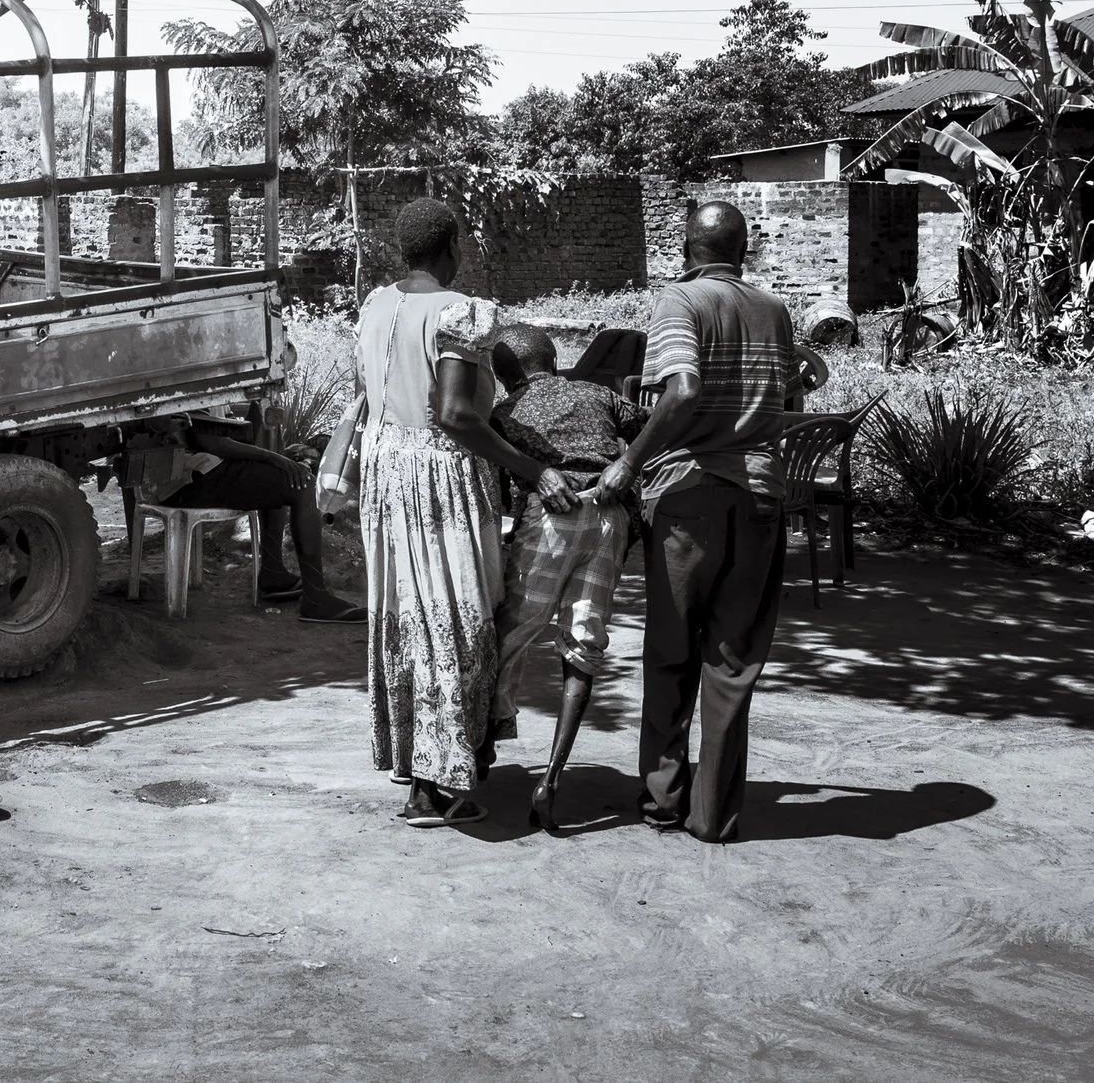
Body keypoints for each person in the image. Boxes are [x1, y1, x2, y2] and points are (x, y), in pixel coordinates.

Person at [340, 198, 579, 827]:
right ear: (453, 247)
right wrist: (535, 469)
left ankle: (420, 775)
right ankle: (442, 783)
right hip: (442, 476)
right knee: (462, 616)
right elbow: (455, 414)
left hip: (387, 473)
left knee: (408, 617)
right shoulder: (461, 312)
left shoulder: (375, 306)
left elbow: (370, 393)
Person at [597, 200, 800, 843]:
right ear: (745, 250)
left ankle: (663, 800)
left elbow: (681, 390)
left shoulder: (679, 301)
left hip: (689, 498)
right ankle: (714, 815)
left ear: (687, 249)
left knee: (671, 653)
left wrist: (630, 461)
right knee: (732, 659)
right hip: (761, 498)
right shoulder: (773, 309)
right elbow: (790, 396)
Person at [484, 321, 643, 835]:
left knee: (508, 636)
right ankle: (551, 779)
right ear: (552, 358)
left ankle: (479, 747)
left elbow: (492, 476)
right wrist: (626, 465)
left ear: (502, 376)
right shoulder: (596, 393)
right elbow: (652, 426)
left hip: (552, 519)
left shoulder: (504, 412)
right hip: (609, 515)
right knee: (583, 644)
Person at [144, 411, 364, 623]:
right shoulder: (197, 376)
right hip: (187, 479)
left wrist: (255, 408)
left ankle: (273, 573)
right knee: (303, 484)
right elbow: (206, 440)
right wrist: (271, 457)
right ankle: (315, 598)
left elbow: (231, 433)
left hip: (191, 473)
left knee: (278, 478)